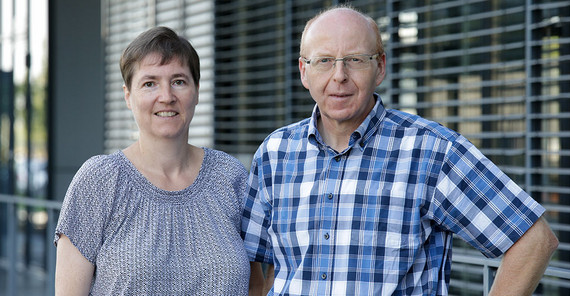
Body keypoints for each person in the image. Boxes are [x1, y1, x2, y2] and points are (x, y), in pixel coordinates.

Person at [241, 5, 559, 296]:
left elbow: (533, 241)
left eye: (354, 59)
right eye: (324, 61)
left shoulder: (432, 151)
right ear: (303, 71)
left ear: (379, 67)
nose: (339, 76)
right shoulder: (275, 153)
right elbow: (261, 272)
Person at [54, 26, 263, 295]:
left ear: (196, 92)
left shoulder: (230, 176)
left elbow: (257, 285)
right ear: (128, 96)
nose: (166, 96)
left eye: (178, 81)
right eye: (149, 83)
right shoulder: (98, 181)